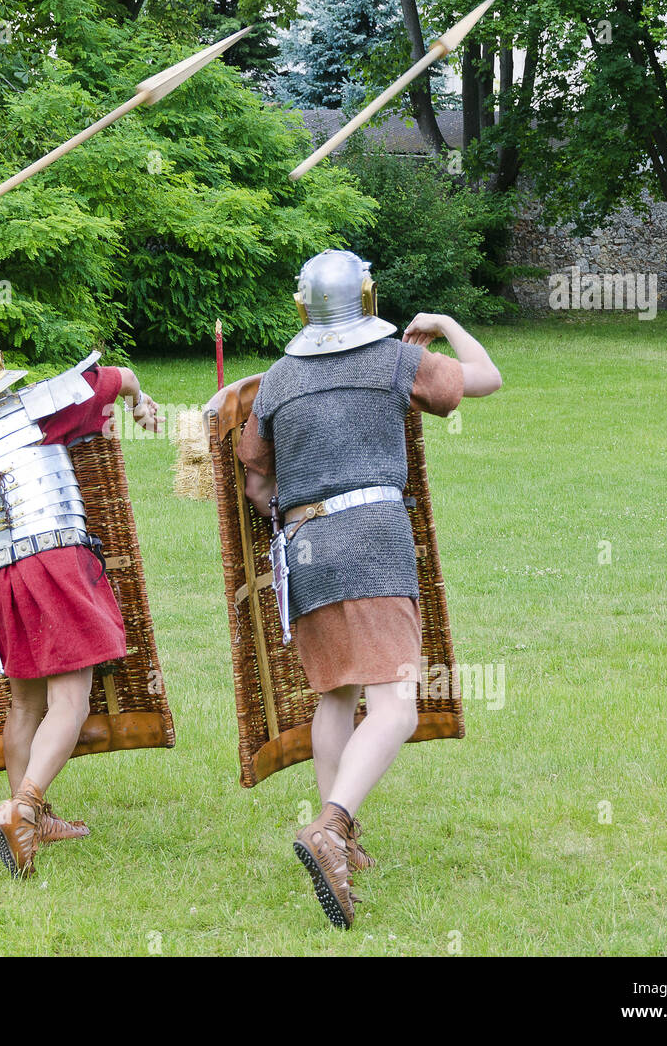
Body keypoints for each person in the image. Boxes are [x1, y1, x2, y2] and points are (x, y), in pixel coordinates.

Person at [236, 249, 502, 929]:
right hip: (373, 543)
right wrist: (442, 321)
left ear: (304, 307)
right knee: (396, 707)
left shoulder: (277, 382)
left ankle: (342, 846)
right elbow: (488, 379)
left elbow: (257, 483)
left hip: (305, 550)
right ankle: (329, 826)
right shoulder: (394, 361)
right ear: (368, 298)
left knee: (336, 697)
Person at [0, 334, 159, 877]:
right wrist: (141, 403)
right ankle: (23, 807)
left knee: (24, 704)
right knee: (69, 701)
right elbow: (116, 377)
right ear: (0, 372)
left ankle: (35, 820)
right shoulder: (44, 409)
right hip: (57, 562)